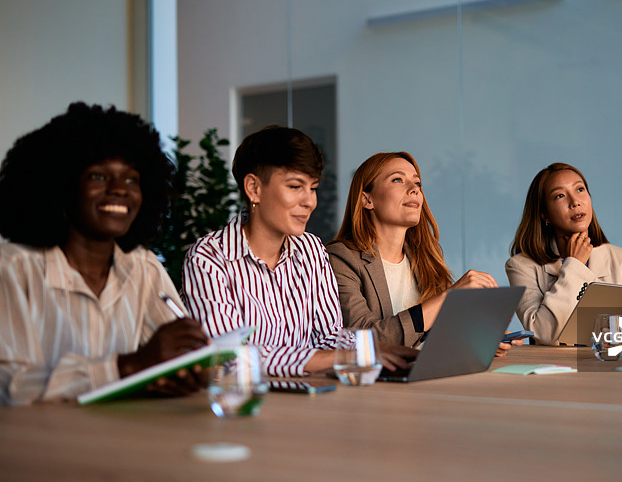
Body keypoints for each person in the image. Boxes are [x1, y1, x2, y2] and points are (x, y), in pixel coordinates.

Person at [0, 102, 208, 405]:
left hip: (123, 440)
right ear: (61, 187)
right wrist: (128, 366)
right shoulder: (13, 269)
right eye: (98, 176)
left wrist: (190, 369)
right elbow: (10, 387)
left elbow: (178, 358)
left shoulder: (144, 268)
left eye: (132, 179)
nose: (119, 189)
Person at [182, 127, 415, 377]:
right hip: (246, 405)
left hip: (312, 400)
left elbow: (329, 336)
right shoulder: (208, 259)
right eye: (295, 186)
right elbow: (231, 357)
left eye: (313, 188)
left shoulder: (311, 250)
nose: (310, 201)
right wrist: (349, 356)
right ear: (254, 188)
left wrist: (380, 352)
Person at [326, 151, 519, 356]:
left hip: (431, 373)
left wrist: (479, 338)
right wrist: (449, 298)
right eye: (398, 180)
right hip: (379, 382)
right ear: (367, 200)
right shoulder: (340, 258)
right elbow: (363, 341)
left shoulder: (426, 256)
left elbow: (438, 334)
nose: (414, 190)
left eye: (417, 183)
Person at [506, 162, 622, 346]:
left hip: (610, 369)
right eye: (560, 196)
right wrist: (574, 265)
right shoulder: (521, 266)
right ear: (545, 215)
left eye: (580, 189)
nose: (575, 202)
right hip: (554, 371)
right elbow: (543, 333)